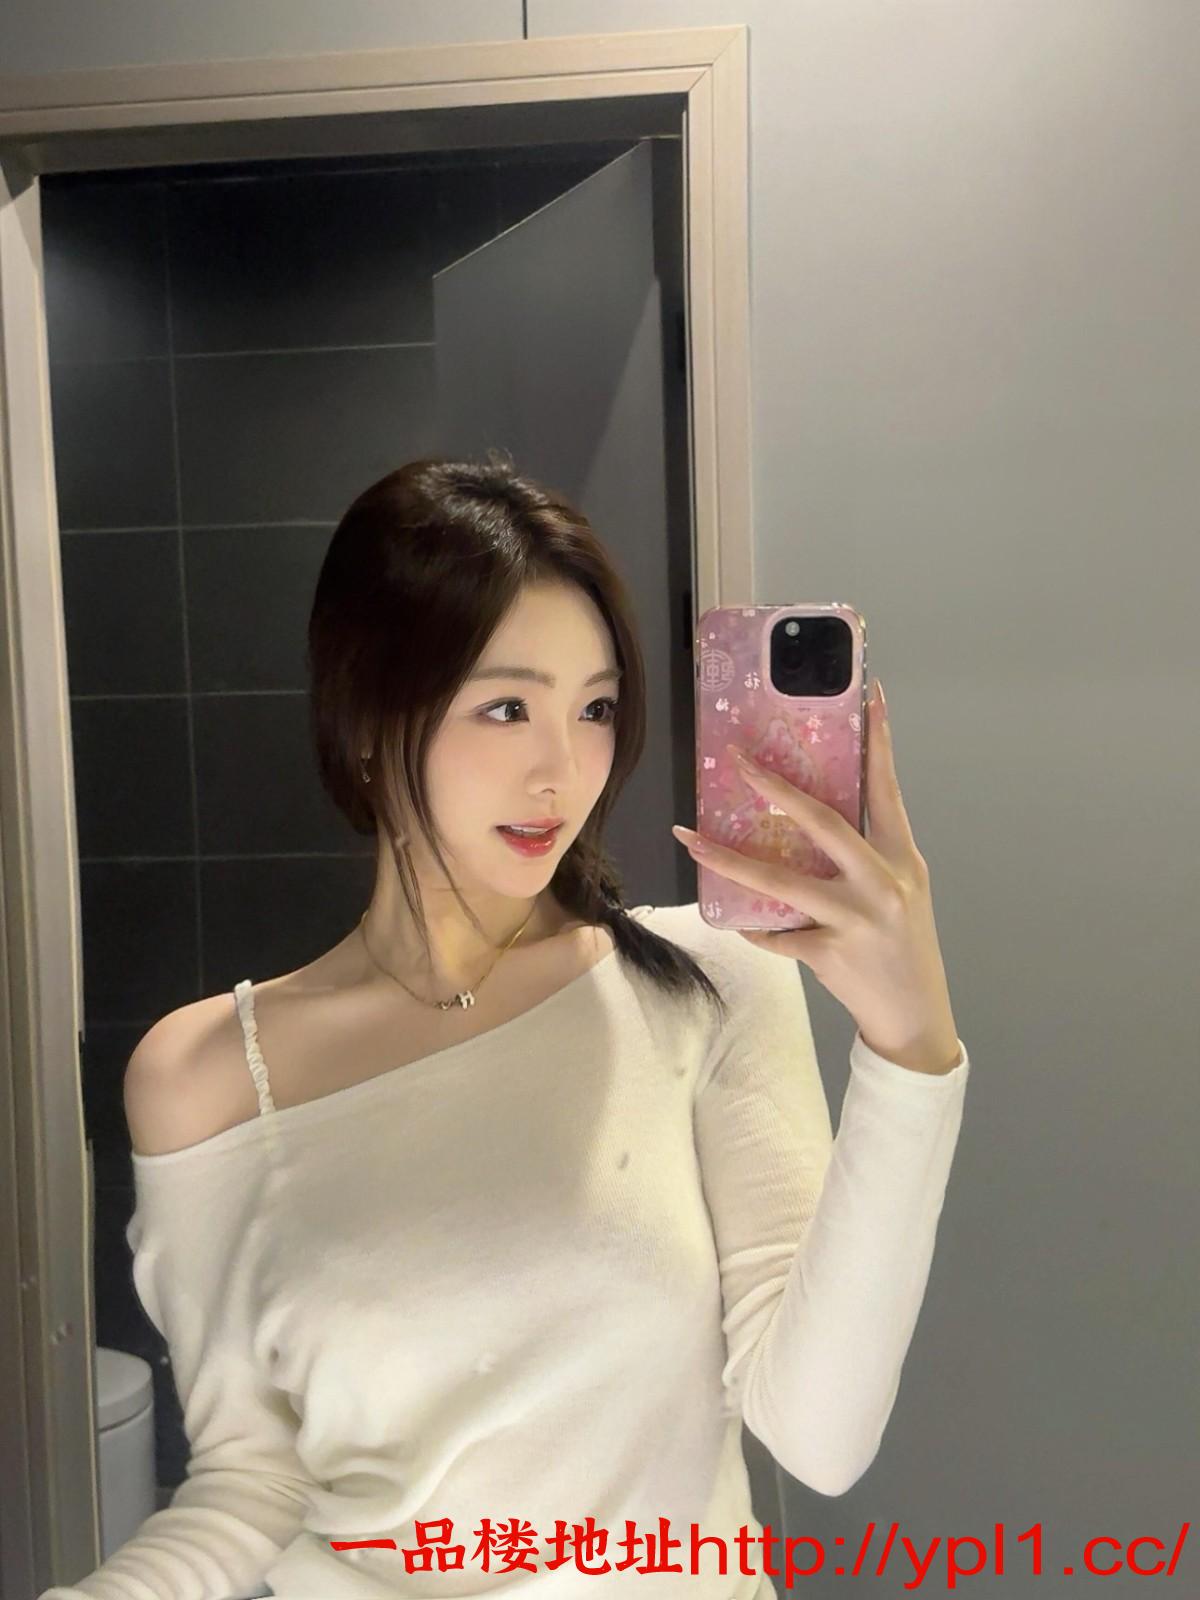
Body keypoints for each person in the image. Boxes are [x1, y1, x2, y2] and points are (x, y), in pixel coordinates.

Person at [41, 454, 970, 1600]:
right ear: (370, 715)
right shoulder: (207, 1074)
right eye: (507, 706)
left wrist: (911, 1052)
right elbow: (248, 1481)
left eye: (595, 708)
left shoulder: (707, 981)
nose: (561, 769)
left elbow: (820, 1437)